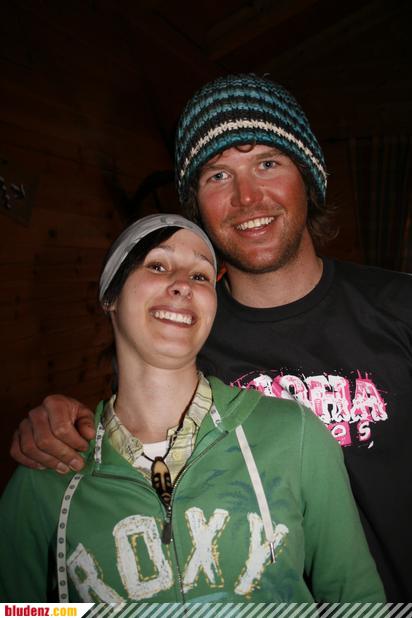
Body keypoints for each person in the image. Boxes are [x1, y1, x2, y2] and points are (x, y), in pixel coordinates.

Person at [10, 74, 412, 600]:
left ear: (309, 177)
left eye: (267, 163)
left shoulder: (401, 308)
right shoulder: (183, 337)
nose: (247, 197)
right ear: (196, 204)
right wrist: (57, 426)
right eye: (218, 175)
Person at [0, 213, 385, 603]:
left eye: (201, 276)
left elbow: (357, 599)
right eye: (157, 266)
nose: (183, 284)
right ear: (110, 296)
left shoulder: (295, 435)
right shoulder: (49, 470)